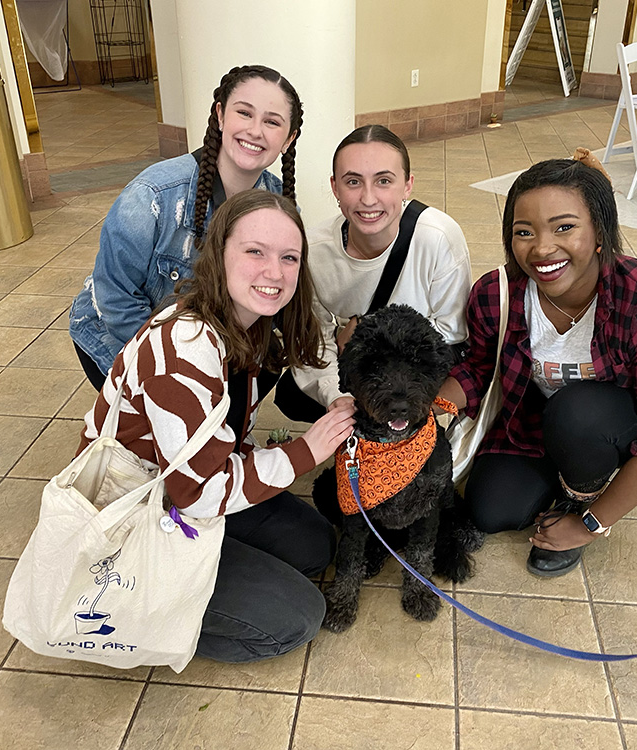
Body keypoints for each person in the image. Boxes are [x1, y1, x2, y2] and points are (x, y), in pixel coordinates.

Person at [79, 190, 356, 661]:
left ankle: (216, 564)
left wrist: (337, 398)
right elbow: (197, 493)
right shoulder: (183, 347)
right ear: (218, 254)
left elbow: (313, 356)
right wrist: (305, 452)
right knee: (298, 617)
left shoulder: (250, 321)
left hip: (191, 482)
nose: (274, 272)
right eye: (255, 252)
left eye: (289, 257)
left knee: (314, 545)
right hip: (141, 511)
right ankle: (127, 609)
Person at [437, 159, 637, 578]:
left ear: (600, 232)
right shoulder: (496, 294)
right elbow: (477, 369)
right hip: (531, 424)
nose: (542, 248)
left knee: (576, 415)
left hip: (608, 425)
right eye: (524, 231)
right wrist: (424, 406)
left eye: (564, 227)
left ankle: (585, 491)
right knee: (491, 512)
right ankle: (561, 475)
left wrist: (588, 526)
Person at [70, 64, 303, 390]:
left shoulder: (279, 202)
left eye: (272, 122)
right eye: (244, 113)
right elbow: (114, 299)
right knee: (181, 413)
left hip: (204, 332)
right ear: (220, 115)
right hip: (120, 332)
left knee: (266, 362)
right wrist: (182, 370)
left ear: (289, 138)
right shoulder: (154, 194)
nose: (255, 130)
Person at [276, 124, 472, 421]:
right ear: (335, 188)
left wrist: (365, 330)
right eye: (353, 182)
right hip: (363, 365)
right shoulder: (313, 251)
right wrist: (338, 398)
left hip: (414, 362)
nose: (368, 199)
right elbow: (314, 341)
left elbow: (453, 331)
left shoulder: (438, 237)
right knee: (293, 396)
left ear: (407, 185)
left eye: (383, 181)